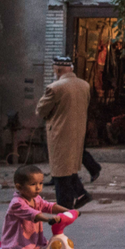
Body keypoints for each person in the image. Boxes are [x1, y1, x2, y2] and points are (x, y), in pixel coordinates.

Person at [1, 165, 76, 249]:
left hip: (32, 238)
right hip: (17, 241)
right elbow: (33, 214)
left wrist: (68, 211)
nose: (38, 188)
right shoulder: (17, 203)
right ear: (19, 187)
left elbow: (49, 206)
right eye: (33, 184)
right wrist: (48, 219)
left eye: (40, 183)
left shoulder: (35, 199)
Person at [36, 56, 94, 210]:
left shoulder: (55, 88)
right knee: (69, 168)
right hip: (77, 133)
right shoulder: (85, 85)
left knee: (60, 172)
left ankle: (64, 206)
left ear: (57, 70)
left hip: (59, 134)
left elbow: (41, 111)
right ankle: (81, 194)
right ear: (71, 69)